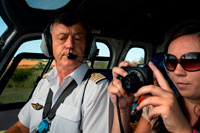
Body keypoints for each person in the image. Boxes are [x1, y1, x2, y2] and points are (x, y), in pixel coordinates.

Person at [6, 12, 113, 133]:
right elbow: (21, 127)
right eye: (62, 38)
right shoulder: (43, 83)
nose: (70, 45)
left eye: (77, 39)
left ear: (87, 46)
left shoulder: (97, 89)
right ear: (49, 44)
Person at [108, 20, 200, 133]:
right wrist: (123, 109)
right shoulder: (158, 104)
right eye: (171, 61)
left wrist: (180, 129)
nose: (177, 71)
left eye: (192, 61)